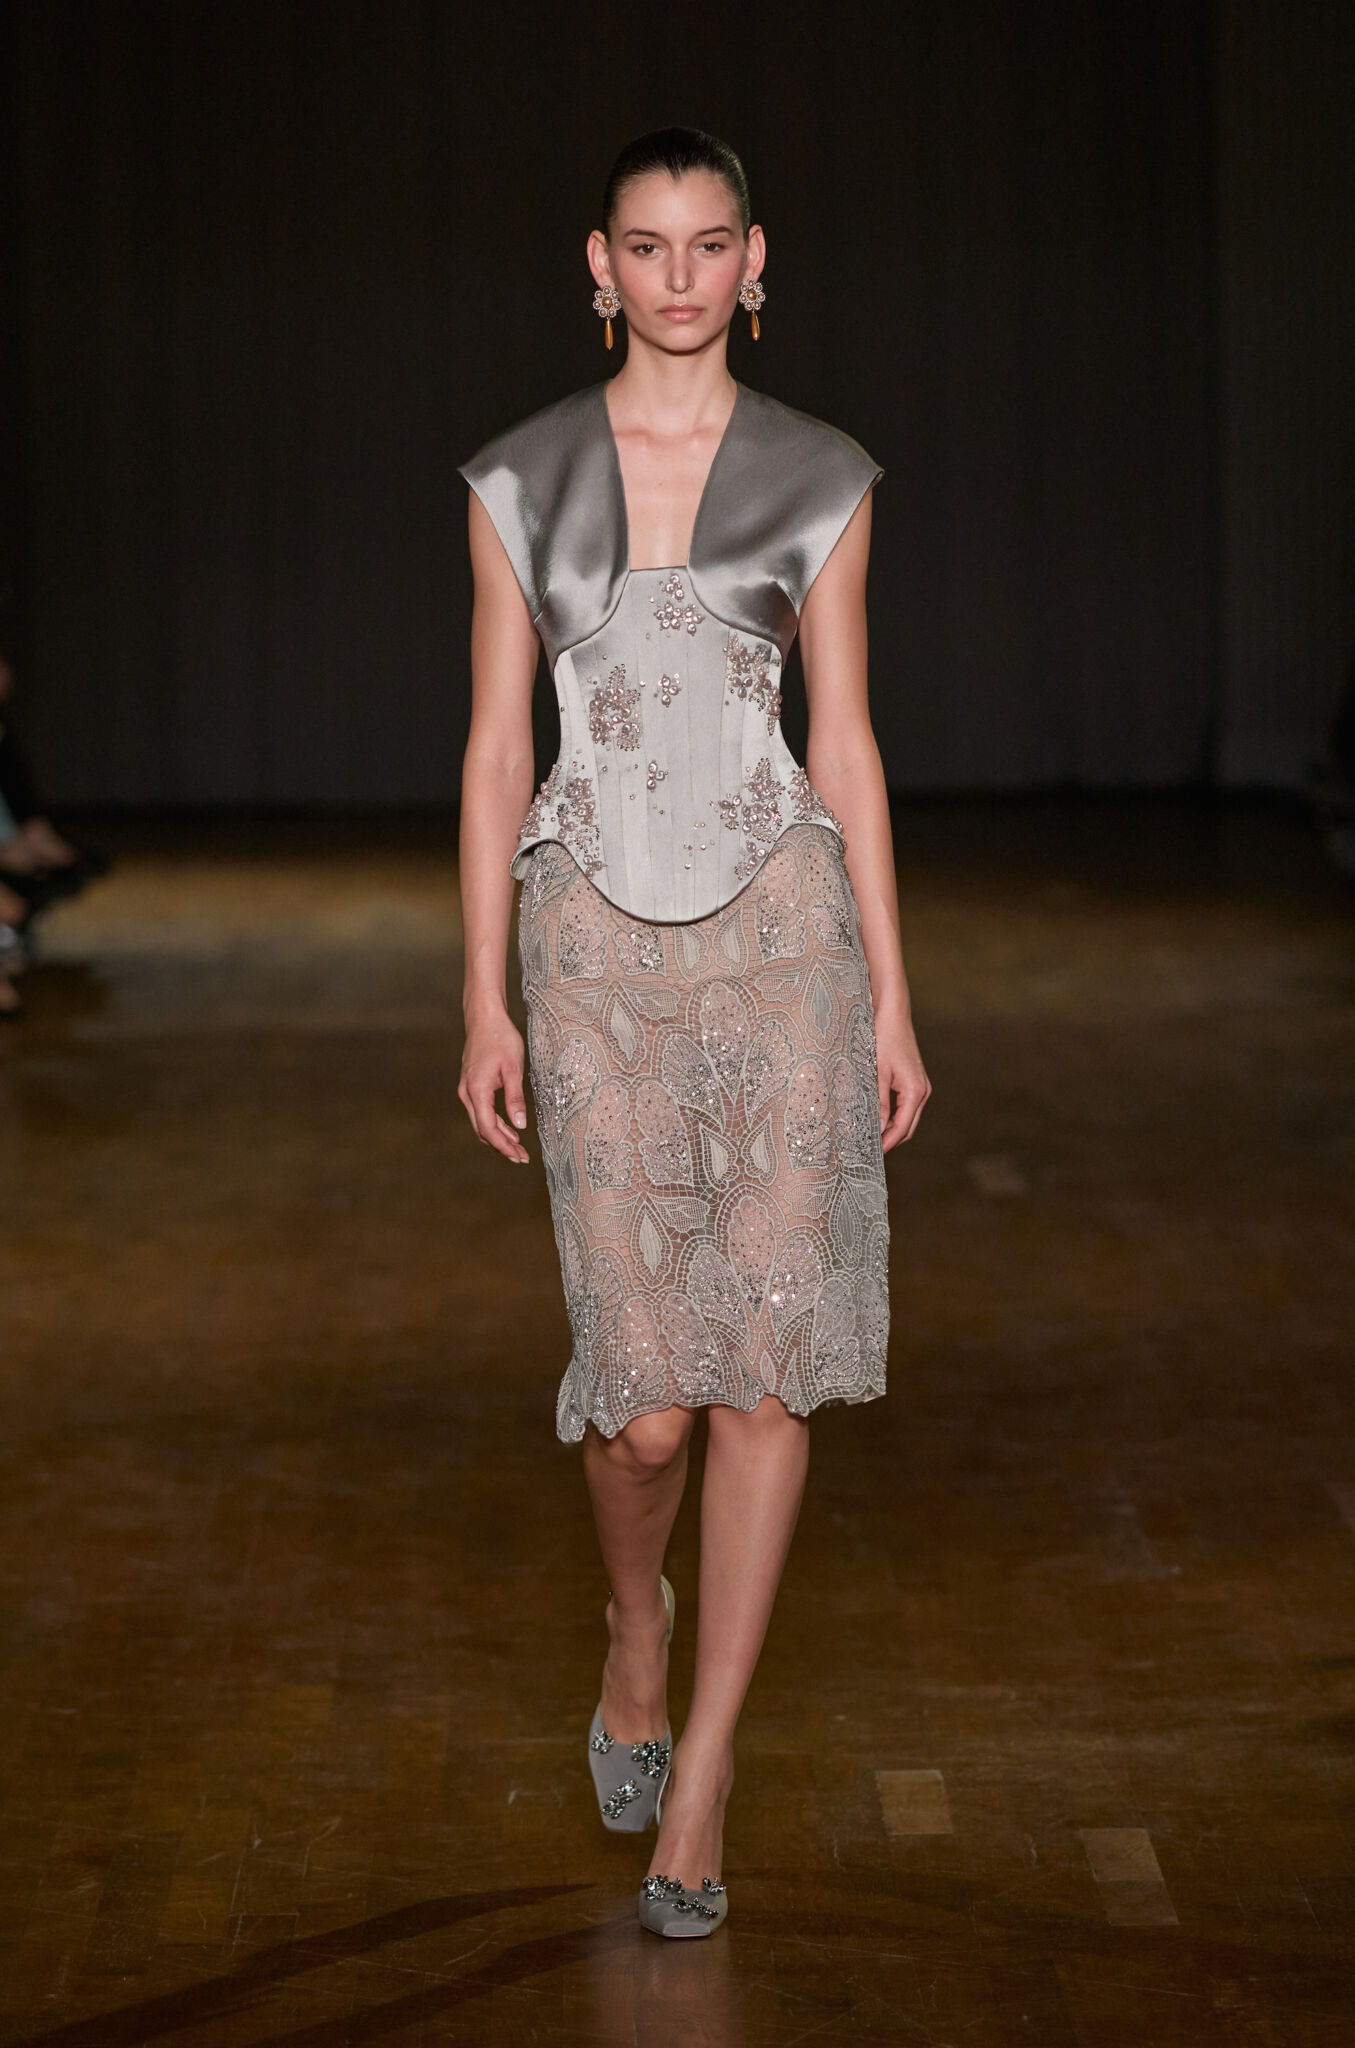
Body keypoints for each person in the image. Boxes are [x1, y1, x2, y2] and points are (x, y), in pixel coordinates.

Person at [456, 127, 930, 1938]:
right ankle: (632, 1631)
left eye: (707, 243)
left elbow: (844, 740)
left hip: (785, 939)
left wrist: (891, 995)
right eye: (645, 246)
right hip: (588, 945)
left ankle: (705, 1778)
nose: (676, 275)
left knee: (764, 1372)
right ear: (598, 263)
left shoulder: (822, 475)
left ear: (754, 259)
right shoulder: (519, 480)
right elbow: (498, 747)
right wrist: (477, 990)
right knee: (645, 1414)